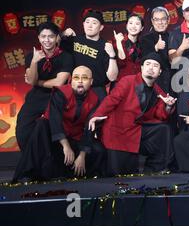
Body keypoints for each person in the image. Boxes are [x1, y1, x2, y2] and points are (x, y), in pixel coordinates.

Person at [88, 53, 176, 176]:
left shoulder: (158, 90)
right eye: (148, 64)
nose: (151, 68)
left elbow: (160, 115)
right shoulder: (128, 81)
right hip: (119, 131)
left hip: (137, 130)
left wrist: (168, 106)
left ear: (160, 72)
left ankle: (155, 169)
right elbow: (111, 100)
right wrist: (97, 115)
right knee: (118, 176)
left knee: (164, 129)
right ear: (141, 67)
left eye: (155, 66)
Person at [13, 66, 104, 181]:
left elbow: (89, 129)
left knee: (99, 150)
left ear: (91, 82)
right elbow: (54, 120)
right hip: (56, 136)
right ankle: (27, 173)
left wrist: (82, 155)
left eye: (84, 78)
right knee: (41, 124)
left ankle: (78, 175)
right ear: (71, 80)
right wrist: (65, 146)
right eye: (76, 78)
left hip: (76, 137)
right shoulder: (61, 93)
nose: (80, 81)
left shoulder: (95, 100)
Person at [16, 22, 73, 152]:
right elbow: (31, 80)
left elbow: (58, 82)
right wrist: (35, 61)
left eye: (51, 36)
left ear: (57, 37)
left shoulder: (66, 57)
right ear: (39, 38)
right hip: (36, 95)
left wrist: (37, 82)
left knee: (53, 129)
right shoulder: (32, 56)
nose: (47, 40)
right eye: (43, 36)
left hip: (57, 96)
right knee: (23, 128)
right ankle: (29, 160)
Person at [61, 10, 118, 100]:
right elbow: (52, 44)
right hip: (76, 87)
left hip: (96, 89)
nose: (89, 25)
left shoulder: (106, 46)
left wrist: (112, 55)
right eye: (87, 22)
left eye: (94, 23)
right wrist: (63, 34)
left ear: (101, 27)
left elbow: (112, 77)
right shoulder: (75, 40)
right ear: (83, 24)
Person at [140, 7, 172, 93]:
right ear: (152, 21)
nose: (160, 22)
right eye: (157, 19)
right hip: (153, 83)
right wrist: (155, 48)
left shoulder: (173, 37)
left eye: (163, 19)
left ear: (168, 20)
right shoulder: (145, 39)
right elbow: (143, 61)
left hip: (173, 82)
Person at [113, 13, 145, 83]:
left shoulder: (143, 44)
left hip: (137, 84)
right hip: (121, 83)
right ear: (126, 26)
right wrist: (118, 43)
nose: (133, 26)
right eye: (130, 23)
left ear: (142, 28)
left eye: (137, 24)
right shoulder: (119, 41)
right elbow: (121, 62)